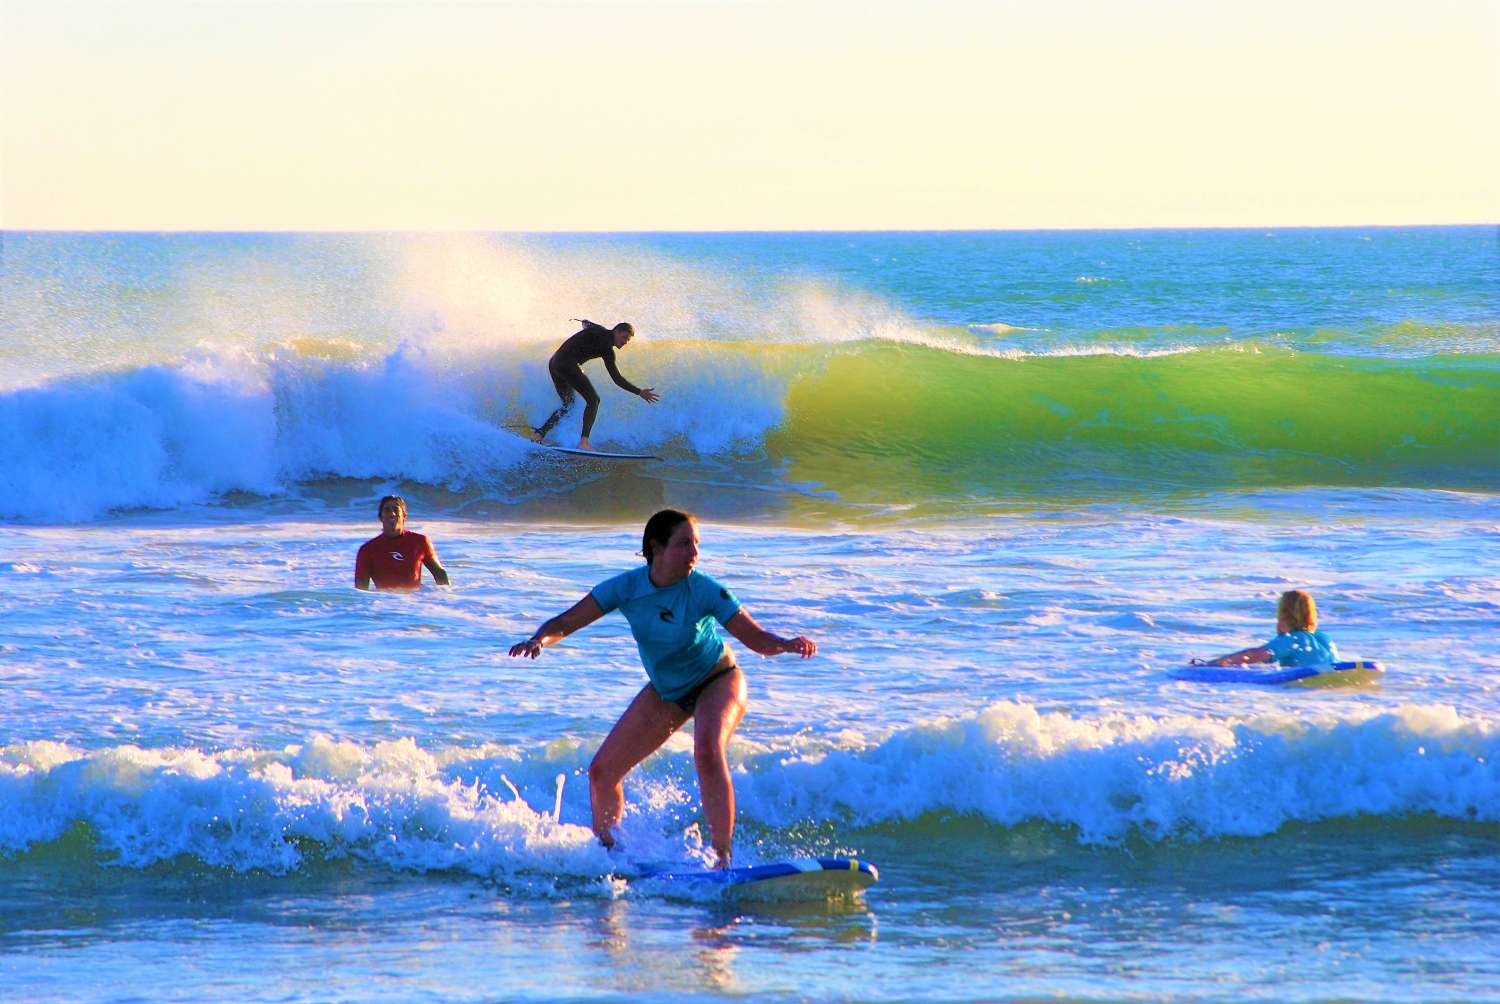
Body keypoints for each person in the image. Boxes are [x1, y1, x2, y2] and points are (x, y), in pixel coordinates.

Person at [508, 509, 815, 868]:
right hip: (667, 690)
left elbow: (756, 639)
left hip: (718, 680)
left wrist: (786, 643)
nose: (694, 553)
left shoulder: (704, 589)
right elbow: (566, 621)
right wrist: (539, 640)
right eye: (684, 544)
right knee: (602, 773)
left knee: (707, 751)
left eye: (696, 544)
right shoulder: (625, 588)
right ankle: (611, 855)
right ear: (656, 548)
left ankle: (723, 860)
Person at [535, 318, 660, 451]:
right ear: (616, 332)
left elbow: (587, 324)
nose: (625, 342)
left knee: (568, 405)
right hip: (567, 365)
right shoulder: (607, 349)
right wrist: (639, 392)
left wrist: (584, 322)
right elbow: (617, 379)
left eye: (628, 340)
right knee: (594, 400)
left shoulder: (599, 330)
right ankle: (584, 443)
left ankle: (539, 433)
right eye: (624, 337)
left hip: (554, 363)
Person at [1190, 589, 1338, 667]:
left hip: (1307, 684)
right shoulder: (1324, 637)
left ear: (1284, 614)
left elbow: (1256, 654)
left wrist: (1216, 663)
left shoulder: (1292, 639)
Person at [354, 495, 450, 591]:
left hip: (415, 603)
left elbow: (440, 574)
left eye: (396, 509)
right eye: (387, 510)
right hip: (384, 603)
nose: (392, 514)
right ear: (380, 517)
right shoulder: (367, 550)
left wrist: (445, 599)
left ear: (404, 516)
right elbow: (360, 591)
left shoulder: (420, 542)